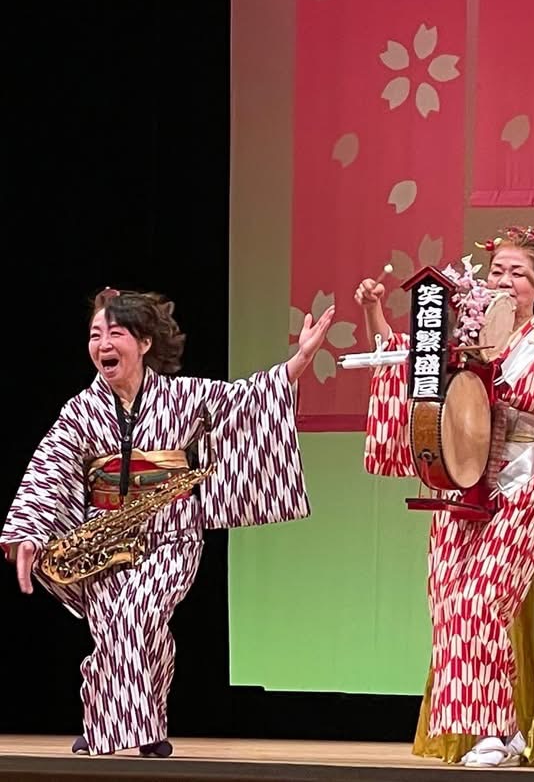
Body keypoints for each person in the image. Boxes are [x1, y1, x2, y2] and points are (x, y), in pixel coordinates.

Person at [2, 288, 333, 758]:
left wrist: (299, 360)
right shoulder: (80, 410)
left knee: (132, 616)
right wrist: (29, 532)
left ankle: (108, 728)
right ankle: (141, 724)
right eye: (95, 335)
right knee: (124, 630)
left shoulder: (183, 396)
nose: (103, 344)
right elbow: (50, 466)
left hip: (171, 538)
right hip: (104, 544)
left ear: (144, 343)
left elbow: (247, 399)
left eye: (116, 333)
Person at [355, 225, 534, 768]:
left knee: (481, 600)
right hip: (463, 475)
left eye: (518, 273)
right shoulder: (467, 335)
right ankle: (499, 729)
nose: (503, 280)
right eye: (497, 270)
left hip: (525, 483)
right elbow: (408, 363)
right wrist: (375, 312)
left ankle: (495, 731)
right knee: (447, 599)